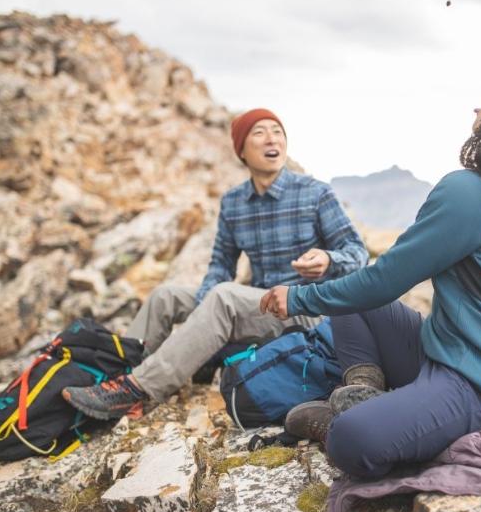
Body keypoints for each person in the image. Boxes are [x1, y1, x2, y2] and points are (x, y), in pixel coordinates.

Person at [260, 76, 481, 480]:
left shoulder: (471, 192)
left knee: (352, 439)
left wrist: (297, 299)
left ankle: (351, 418)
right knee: (356, 306)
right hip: (446, 354)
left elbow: (386, 279)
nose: (477, 110)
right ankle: (364, 387)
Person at [62, 108, 369, 419]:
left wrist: (329, 259)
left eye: (277, 132)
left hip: (304, 309)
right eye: (259, 133)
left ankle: (137, 390)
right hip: (260, 306)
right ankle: (114, 377)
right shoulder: (234, 202)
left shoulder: (315, 193)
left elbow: (357, 253)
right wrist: (202, 306)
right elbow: (221, 262)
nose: (271, 139)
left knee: (224, 297)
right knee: (165, 297)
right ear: (241, 151)